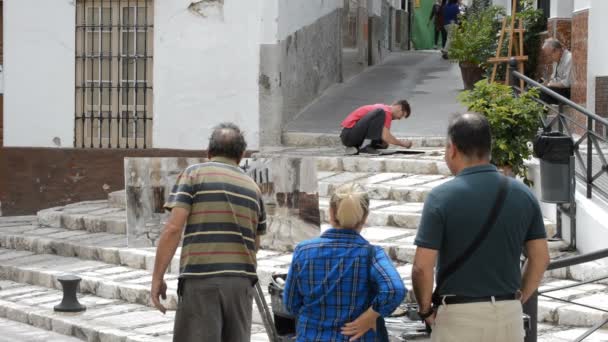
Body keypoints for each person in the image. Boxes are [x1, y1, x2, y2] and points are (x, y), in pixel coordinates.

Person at [411, 113, 550, 342]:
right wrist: (519, 298)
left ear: (452, 149)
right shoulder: (524, 195)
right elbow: (541, 258)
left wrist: (425, 310)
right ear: (489, 149)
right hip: (509, 317)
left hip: (459, 317)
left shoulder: (441, 198)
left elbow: (421, 268)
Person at [151, 123, 267, 342]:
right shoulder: (253, 188)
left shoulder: (194, 175)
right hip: (241, 284)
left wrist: (157, 277)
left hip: (202, 280)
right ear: (241, 155)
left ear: (209, 152)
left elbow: (174, 228)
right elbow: (256, 244)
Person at [283, 183, 406, 341]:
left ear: (331, 213)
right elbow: (395, 289)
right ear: (365, 216)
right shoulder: (372, 254)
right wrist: (370, 316)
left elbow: (291, 303)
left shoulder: (304, 251)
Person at [340, 100, 413, 155]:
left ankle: (357, 147)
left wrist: (383, 142)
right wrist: (403, 144)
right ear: (399, 107)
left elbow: (384, 136)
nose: (400, 118)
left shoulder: (385, 110)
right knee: (379, 112)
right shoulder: (384, 111)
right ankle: (366, 146)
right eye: (402, 114)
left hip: (351, 135)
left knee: (383, 144)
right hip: (348, 135)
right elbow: (386, 136)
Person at [540, 38, 572, 103]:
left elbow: (566, 83)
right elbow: (553, 78)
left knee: (543, 92)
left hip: (566, 92)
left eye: (549, 55)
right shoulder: (556, 60)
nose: (549, 58)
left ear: (556, 51)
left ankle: (541, 112)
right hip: (557, 89)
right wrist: (546, 83)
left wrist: (549, 84)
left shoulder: (569, 58)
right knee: (534, 86)